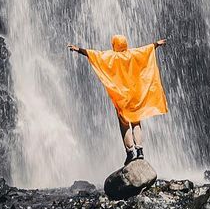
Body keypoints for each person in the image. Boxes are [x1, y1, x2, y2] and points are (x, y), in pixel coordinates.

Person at [68, 34, 168, 164]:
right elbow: (147, 50)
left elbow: (93, 54)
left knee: (124, 124)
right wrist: (157, 44)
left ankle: (130, 152)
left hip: (121, 97)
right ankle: (140, 151)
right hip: (135, 95)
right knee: (136, 123)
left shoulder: (111, 56)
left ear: (114, 44)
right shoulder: (133, 53)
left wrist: (77, 49)